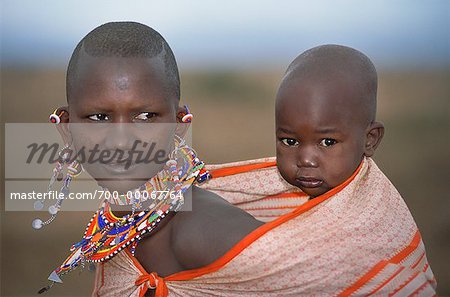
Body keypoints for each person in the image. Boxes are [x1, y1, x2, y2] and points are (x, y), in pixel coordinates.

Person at [37, 22, 263, 296]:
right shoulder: (117, 221)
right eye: (99, 118)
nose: (121, 141)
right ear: (66, 127)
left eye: (145, 117)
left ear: (179, 125)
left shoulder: (203, 230)